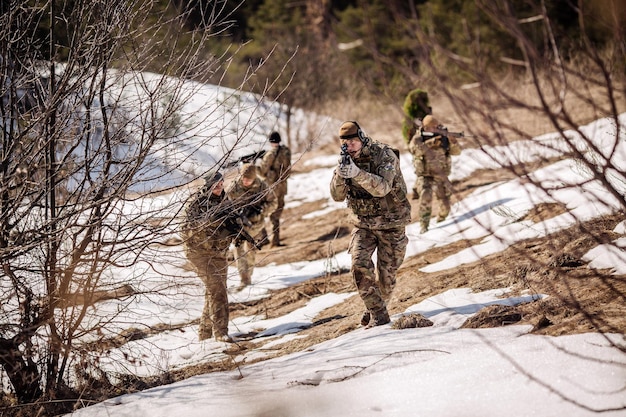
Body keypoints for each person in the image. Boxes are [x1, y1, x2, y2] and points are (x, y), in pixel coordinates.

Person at [330, 121, 411, 328]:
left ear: (362, 138)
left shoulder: (383, 155)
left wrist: (357, 173)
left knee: (386, 278)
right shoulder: (345, 161)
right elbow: (337, 196)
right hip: (364, 225)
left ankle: (377, 305)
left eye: (354, 141)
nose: (351, 146)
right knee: (359, 265)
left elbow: (383, 188)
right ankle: (379, 315)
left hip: (391, 223)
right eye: (346, 143)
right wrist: (341, 174)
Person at [181, 171, 236, 343]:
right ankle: (221, 333)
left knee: (214, 291)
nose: (220, 187)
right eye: (216, 185)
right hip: (198, 254)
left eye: (221, 184)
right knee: (217, 289)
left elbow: (231, 223)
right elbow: (185, 231)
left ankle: (204, 335)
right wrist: (208, 223)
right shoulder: (196, 205)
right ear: (208, 186)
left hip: (218, 253)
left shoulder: (225, 201)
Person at [408, 114, 462, 233]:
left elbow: (457, 152)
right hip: (425, 175)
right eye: (433, 127)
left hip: (441, 176)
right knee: (425, 197)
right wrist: (431, 143)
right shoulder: (418, 138)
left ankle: (442, 221)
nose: (436, 129)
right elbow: (414, 150)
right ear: (426, 128)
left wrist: (453, 142)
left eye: (437, 126)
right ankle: (424, 225)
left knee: (445, 205)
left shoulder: (444, 137)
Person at [227, 163, 277, 289]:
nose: (245, 181)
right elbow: (225, 205)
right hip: (239, 225)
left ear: (254, 178)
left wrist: (261, 211)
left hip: (256, 225)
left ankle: (249, 273)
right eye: (244, 178)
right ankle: (244, 278)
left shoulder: (262, 186)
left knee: (250, 249)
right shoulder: (234, 187)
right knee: (238, 249)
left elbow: (273, 202)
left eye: (248, 179)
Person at [257, 131, 292, 247]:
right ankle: (275, 240)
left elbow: (262, 172)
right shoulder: (286, 151)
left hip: (272, 189)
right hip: (282, 187)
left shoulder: (270, 154)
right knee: (276, 214)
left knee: (261, 211)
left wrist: (254, 166)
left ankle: (263, 238)